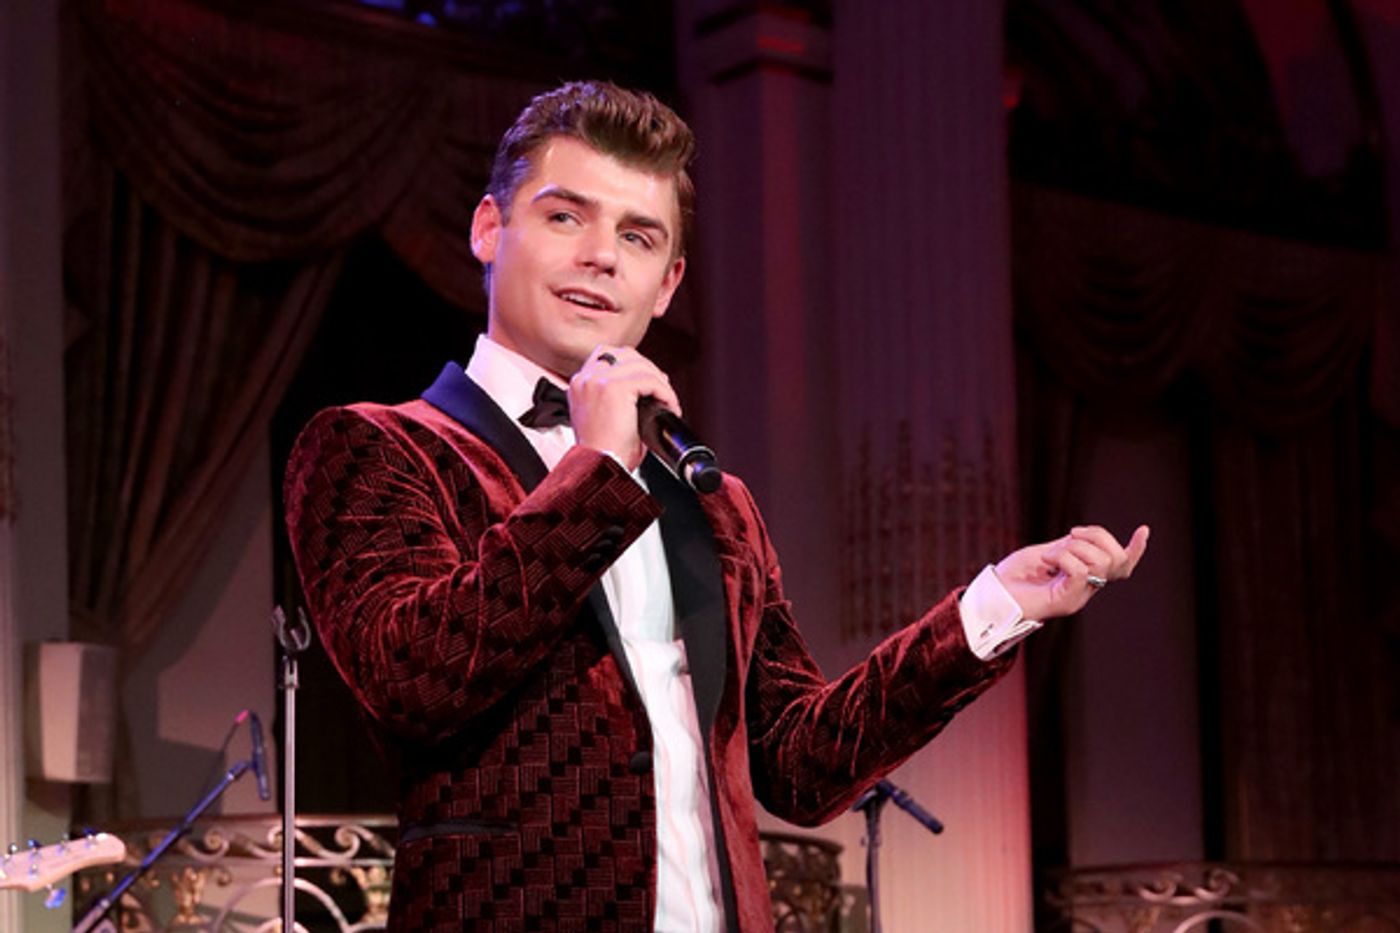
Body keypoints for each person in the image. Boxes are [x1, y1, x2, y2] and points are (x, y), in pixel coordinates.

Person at [283, 80, 1149, 932]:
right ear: (487, 228)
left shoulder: (713, 499)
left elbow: (801, 764)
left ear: (667, 283)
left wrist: (990, 609)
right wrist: (595, 472)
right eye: (565, 217)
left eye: (637, 235)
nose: (602, 255)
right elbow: (417, 679)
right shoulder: (376, 448)